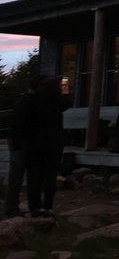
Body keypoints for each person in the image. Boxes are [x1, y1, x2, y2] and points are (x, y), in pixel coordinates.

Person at [17, 75, 70, 217]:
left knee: (34, 176)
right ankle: (48, 206)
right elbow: (67, 101)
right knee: (50, 176)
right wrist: (65, 86)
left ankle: (34, 207)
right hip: (54, 143)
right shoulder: (59, 101)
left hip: (36, 142)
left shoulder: (35, 100)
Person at [5, 77, 38, 218]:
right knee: (16, 176)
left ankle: (16, 206)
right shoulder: (28, 102)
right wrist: (17, 145)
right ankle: (12, 208)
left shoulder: (25, 100)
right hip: (20, 141)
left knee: (18, 175)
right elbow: (19, 124)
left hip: (20, 141)